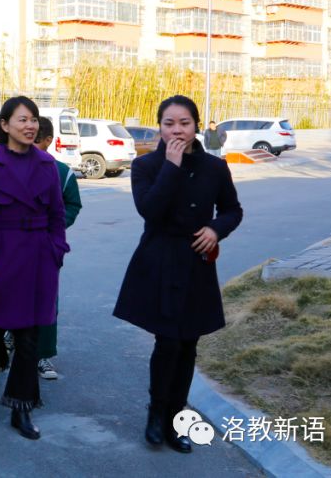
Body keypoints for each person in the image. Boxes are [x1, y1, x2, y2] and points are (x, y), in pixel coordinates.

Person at [113, 95, 242, 454]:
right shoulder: (146, 166)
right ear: (160, 127)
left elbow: (233, 209)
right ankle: (156, 415)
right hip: (160, 259)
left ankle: (176, 418)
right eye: (169, 123)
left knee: (188, 343)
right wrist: (170, 164)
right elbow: (150, 211)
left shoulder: (215, 168)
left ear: (196, 125)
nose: (177, 130)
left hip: (197, 263)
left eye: (184, 123)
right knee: (167, 341)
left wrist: (216, 229)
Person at [0, 96, 69, 441]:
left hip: (38, 256)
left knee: (29, 335)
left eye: (34, 119)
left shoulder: (47, 165)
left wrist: (56, 249)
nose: (30, 125)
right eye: (22, 119)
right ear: (5, 125)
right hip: (0, 253)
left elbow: (57, 214)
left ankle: (21, 406)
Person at [31, 117, 82, 381]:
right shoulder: (8, 166)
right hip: (12, 249)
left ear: (48, 141)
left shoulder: (62, 172)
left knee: (47, 301)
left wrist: (55, 226)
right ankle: (10, 340)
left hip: (47, 249)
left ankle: (43, 355)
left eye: (36, 138)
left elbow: (73, 204)